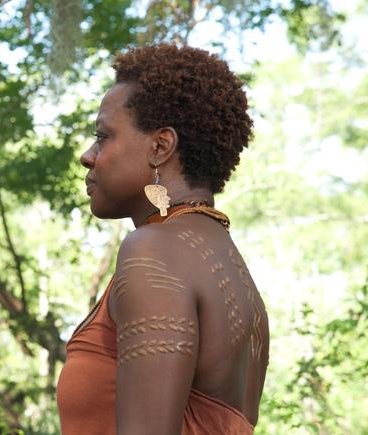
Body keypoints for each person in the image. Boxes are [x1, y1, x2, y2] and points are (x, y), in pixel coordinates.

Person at [57, 44, 269, 434]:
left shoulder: (154, 248)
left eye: (102, 137)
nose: (88, 156)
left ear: (160, 147)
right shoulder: (228, 264)